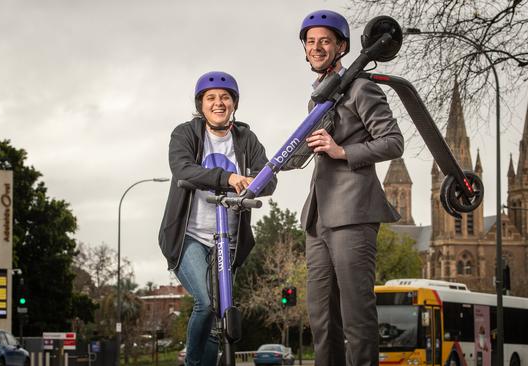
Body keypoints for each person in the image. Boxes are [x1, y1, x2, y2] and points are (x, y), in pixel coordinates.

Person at [298, 10, 404, 366]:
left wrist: (342, 150)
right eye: (311, 42)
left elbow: (393, 142)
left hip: (353, 215)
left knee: (357, 319)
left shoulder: (361, 87)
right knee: (322, 322)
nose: (317, 48)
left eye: (324, 41)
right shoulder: (317, 97)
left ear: (341, 46)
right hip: (317, 219)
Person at [158, 71, 276, 366]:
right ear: (201, 105)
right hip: (191, 236)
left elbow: (269, 179)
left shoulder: (246, 139)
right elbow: (183, 169)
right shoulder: (185, 133)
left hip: (229, 240)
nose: (218, 103)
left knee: (220, 314)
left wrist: (255, 183)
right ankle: (194, 364)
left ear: (234, 103)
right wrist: (229, 177)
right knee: (206, 302)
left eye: (225, 97)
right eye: (211, 98)